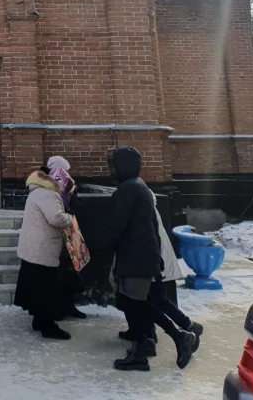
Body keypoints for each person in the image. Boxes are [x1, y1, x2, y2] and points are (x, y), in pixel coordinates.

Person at [107, 146, 195, 372]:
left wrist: (104, 245)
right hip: (145, 255)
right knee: (136, 304)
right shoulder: (141, 187)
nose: (111, 171)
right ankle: (146, 346)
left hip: (135, 257)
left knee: (134, 304)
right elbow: (152, 225)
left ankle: (173, 338)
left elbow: (118, 226)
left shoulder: (127, 190)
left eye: (113, 165)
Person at [118, 193, 203, 354]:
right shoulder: (147, 210)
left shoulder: (144, 213)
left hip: (153, 265)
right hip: (154, 264)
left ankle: (180, 329)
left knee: (150, 300)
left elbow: (152, 240)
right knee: (151, 300)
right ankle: (155, 334)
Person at [14, 167, 74, 340]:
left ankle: (38, 320)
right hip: (43, 248)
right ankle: (48, 326)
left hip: (32, 249)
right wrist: (71, 218)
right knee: (47, 288)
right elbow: (56, 218)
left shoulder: (36, 192)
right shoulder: (50, 194)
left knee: (36, 287)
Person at [46, 156, 87, 320]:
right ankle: (60, 307)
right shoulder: (52, 190)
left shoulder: (69, 187)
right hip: (58, 237)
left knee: (70, 271)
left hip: (70, 236)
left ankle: (69, 306)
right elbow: (57, 214)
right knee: (59, 274)